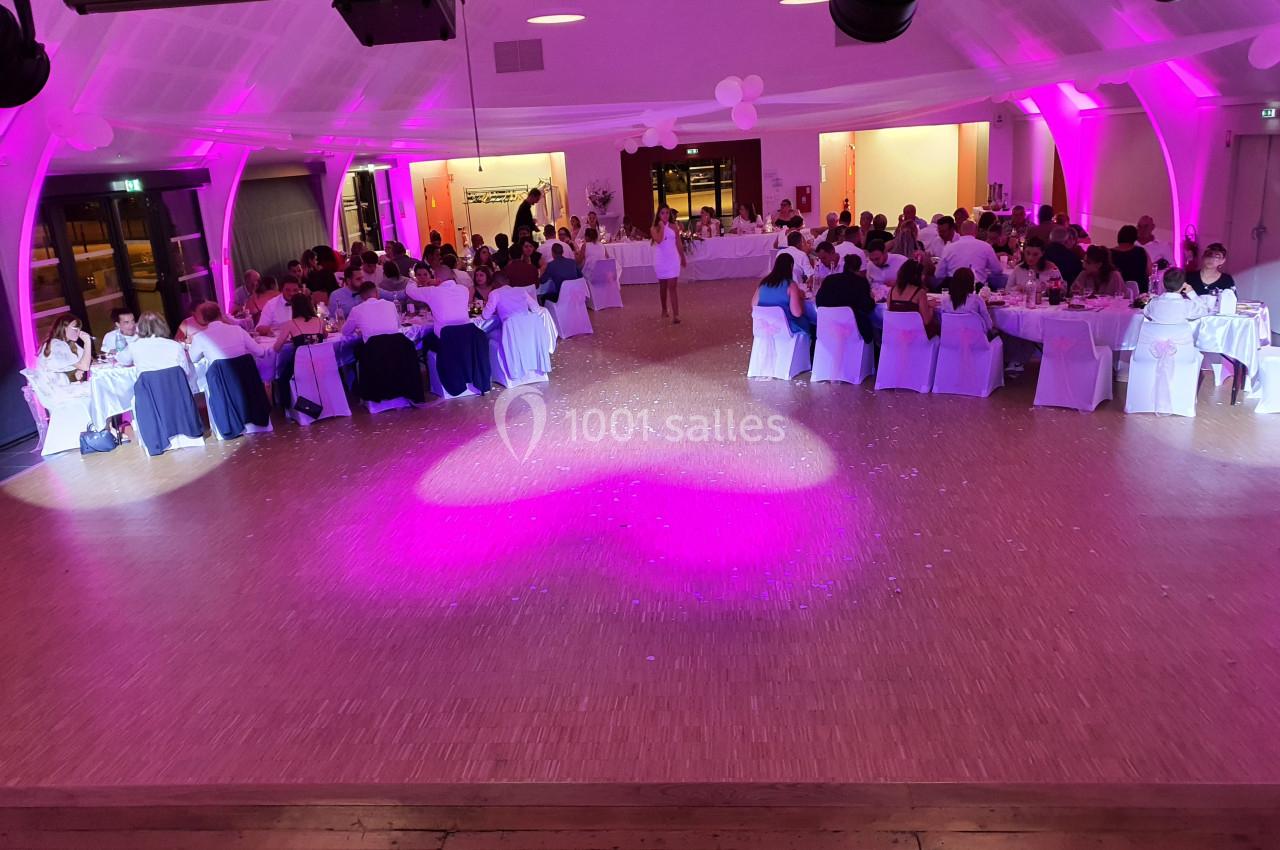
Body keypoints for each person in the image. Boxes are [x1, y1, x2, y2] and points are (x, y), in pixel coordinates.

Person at [116, 312, 195, 385]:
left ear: (139, 327)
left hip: (149, 392)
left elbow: (123, 360)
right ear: (163, 326)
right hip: (176, 390)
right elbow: (186, 372)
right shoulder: (176, 346)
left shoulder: (134, 346)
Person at [815, 254, 877, 345]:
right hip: (853, 329)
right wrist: (872, 299)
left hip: (829, 327)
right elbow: (867, 307)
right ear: (859, 268)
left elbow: (819, 302)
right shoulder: (861, 282)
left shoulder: (829, 279)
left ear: (844, 266)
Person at [189, 301, 268, 363]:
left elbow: (193, 359)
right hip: (244, 377)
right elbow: (261, 352)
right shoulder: (238, 330)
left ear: (204, 319)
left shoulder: (199, 338)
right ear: (220, 315)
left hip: (220, 378)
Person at [756, 253, 810, 335]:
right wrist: (801, 298)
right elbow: (797, 313)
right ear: (791, 266)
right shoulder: (791, 285)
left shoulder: (764, 282)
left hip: (765, 326)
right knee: (808, 322)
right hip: (786, 328)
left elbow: (754, 304)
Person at [938, 221, 1004, 284]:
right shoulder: (986, 246)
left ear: (960, 231)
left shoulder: (948, 248)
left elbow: (939, 274)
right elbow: (998, 270)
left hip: (953, 287)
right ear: (976, 231)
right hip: (978, 287)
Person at [408, 267, 470, 335]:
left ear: (438, 279)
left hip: (445, 336)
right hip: (467, 333)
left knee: (425, 337)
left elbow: (410, 291)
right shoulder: (464, 289)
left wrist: (414, 281)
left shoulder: (433, 291)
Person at [651, 204, 686, 323]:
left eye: (667, 213)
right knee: (663, 286)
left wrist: (682, 257)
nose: (665, 215)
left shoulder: (674, 227)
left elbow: (678, 243)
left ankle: (676, 315)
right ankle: (664, 309)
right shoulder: (654, 228)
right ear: (658, 215)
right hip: (661, 260)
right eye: (662, 213)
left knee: (673, 287)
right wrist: (662, 227)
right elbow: (659, 240)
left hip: (673, 259)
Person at [37, 315, 92, 383]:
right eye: (75, 329)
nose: (79, 332)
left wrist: (80, 370)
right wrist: (87, 342)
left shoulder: (70, 344)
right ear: (64, 328)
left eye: (79, 329)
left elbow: (87, 360)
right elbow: (85, 366)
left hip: (63, 384)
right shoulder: (57, 345)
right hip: (54, 387)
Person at [936, 268, 992, 335]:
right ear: (972, 283)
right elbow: (989, 325)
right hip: (975, 339)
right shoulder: (977, 300)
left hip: (951, 339)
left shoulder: (945, 300)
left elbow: (942, 322)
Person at [887, 259, 935, 334]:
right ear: (916, 275)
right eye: (922, 274)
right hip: (917, 337)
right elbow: (926, 321)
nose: (924, 277)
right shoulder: (920, 292)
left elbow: (892, 313)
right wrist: (931, 307)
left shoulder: (891, 291)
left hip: (897, 335)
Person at [1143, 268, 1208, 324]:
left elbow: (1145, 313)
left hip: (1155, 334)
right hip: (1181, 335)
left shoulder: (1153, 303)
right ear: (1184, 285)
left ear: (1162, 284)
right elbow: (1205, 311)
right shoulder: (1187, 305)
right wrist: (1192, 294)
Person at [1111, 225, 1152, 291]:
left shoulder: (1109, 253)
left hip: (1115, 292)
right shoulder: (1141, 252)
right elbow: (1150, 272)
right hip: (1139, 293)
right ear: (1135, 237)